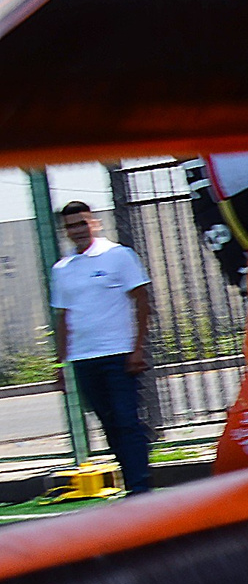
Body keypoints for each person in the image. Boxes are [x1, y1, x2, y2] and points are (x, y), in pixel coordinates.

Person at [48, 200, 154, 494]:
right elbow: (63, 318)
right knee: (109, 424)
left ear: (94, 223)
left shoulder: (118, 256)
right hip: (84, 360)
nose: (77, 230)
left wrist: (137, 349)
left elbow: (142, 301)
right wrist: (60, 365)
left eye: (82, 223)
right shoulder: (62, 269)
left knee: (126, 421)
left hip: (119, 355)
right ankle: (131, 479)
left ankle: (140, 488)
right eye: (70, 226)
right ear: (65, 232)